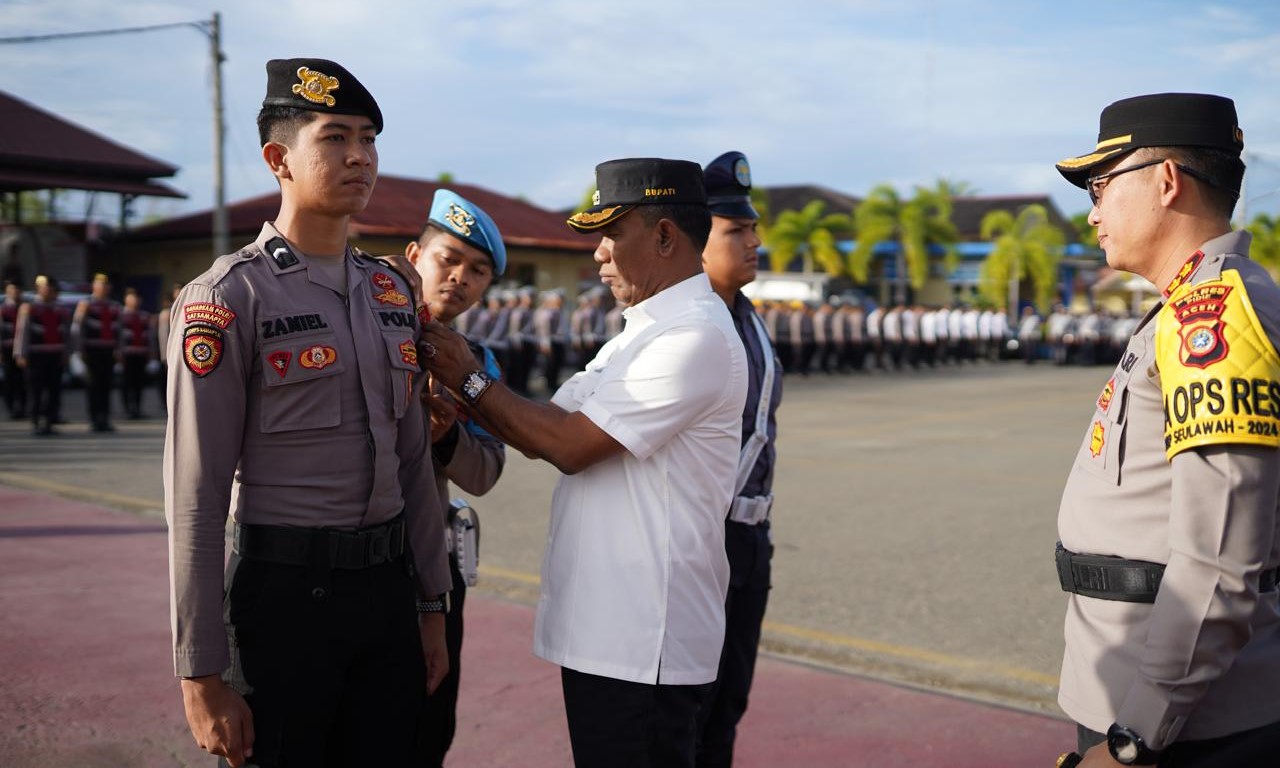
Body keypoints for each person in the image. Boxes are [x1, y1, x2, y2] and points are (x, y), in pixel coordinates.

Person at [163, 57, 451, 768]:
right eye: (334, 138)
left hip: (386, 594)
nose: (360, 156)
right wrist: (200, 672)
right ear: (278, 159)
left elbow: (413, 458)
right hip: (285, 602)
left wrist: (430, 605)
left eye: (369, 139)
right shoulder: (229, 299)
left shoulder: (390, 292)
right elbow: (195, 497)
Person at [420, 157, 748, 768]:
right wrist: (449, 397)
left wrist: (465, 377)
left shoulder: (693, 336)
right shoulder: (639, 332)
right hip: (610, 631)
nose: (598, 253)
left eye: (611, 234)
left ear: (665, 236)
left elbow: (566, 444)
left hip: (643, 639)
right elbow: (532, 425)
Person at [1053, 92, 1280, 767]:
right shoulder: (1191, 303)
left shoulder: (1213, 316)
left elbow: (1220, 562)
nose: (1092, 212)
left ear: (1166, 180)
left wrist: (1134, 738)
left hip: (1182, 728)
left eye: (1100, 186)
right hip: (1160, 702)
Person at [403, 189, 508, 767]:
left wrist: (447, 436)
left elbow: (487, 470)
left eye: (478, 270)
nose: (459, 278)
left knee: (427, 728)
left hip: (433, 571)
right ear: (415, 254)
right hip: (346, 559)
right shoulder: (363, 333)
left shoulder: (477, 365)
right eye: (448, 259)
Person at [693, 151, 782, 768]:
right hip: (701, 538)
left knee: (727, 704)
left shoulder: (747, 317)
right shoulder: (685, 323)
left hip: (749, 535)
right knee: (689, 707)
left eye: (752, 229)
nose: (754, 242)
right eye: (736, 231)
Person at [14, 275, 70, 435]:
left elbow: (66, 334)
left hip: (55, 356)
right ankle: (36, 421)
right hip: (36, 356)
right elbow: (22, 332)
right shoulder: (29, 308)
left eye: (52, 289)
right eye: (46, 288)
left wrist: (67, 353)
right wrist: (20, 353)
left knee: (54, 390)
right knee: (36, 391)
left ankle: (50, 421)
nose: (49, 292)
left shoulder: (61, 310)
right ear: (39, 289)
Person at [72, 273, 121, 432]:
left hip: (108, 351)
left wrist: (119, 349)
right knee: (93, 386)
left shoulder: (114, 306)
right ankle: (94, 419)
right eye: (100, 285)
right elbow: (77, 329)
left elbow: (118, 330)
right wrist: (79, 350)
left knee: (106, 385)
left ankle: (105, 418)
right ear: (94, 287)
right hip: (91, 351)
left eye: (106, 285)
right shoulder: (86, 304)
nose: (103, 288)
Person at [118, 287, 153, 418]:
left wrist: (150, 352)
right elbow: (118, 335)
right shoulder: (121, 315)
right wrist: (119, 351)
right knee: (127, 382)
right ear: (126, 299)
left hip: (141, 353)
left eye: (137, 298)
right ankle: (128, 408)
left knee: (139, 383)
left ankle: (137, 408)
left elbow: (149, 336)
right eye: (132, 297)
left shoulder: (144, 316)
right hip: (127, 354)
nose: (135, 300)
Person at [1, 281, 26, 419]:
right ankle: (12, 408)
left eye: (17, 290)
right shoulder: (3, 309)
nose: (15, 293)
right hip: (7, 349)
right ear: (7, 291)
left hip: (23, 350)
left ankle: (22, 407)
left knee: (23, 380)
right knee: (9, 380)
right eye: (12, 290)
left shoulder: (25, 307)